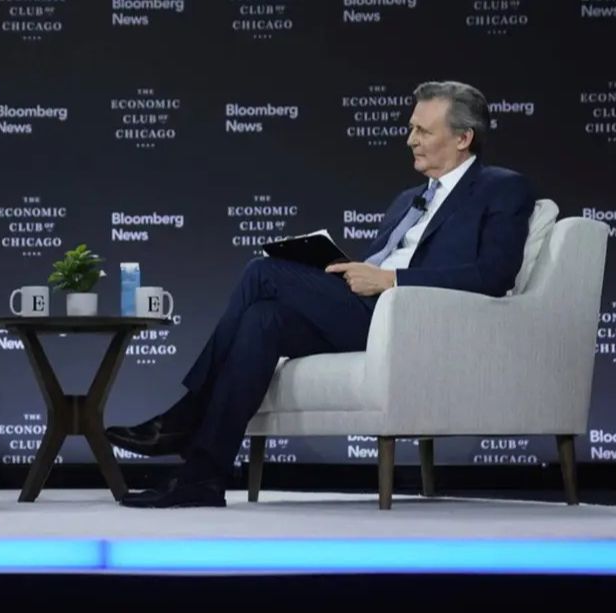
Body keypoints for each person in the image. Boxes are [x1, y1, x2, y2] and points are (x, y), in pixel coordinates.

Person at [106, 80, 536, 508]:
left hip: (410, 319)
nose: (410, 140)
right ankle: (202, 479)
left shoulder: (501, 188)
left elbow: (492, 275)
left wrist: (391, 282)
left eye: (423, 131)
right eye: (411, 128)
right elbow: (381, 261)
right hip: (366, 310)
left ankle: (185, 415)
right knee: (261, 320)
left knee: (263, 273)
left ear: (463, 138)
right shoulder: (409, 199)